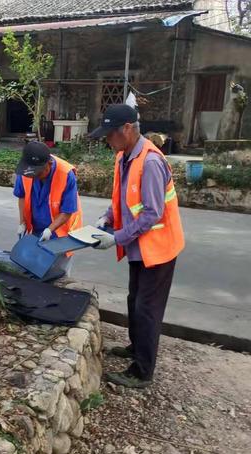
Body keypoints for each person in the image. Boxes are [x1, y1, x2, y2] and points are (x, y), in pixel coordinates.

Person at [91, 104, 185, 388]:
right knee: (135, 301)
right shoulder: (124, 156)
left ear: (128, 130)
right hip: (140, 248)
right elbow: (122, 197)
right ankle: (136, 346)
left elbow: (152, 213)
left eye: (110, 135)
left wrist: (117, 238)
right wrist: (106, 217)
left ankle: (142, 371)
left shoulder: (152, 162)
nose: (108, 140)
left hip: (159, 249)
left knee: (147, 309)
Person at [13, 141, 83, 274]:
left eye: (38, 174)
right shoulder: (26, 171)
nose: (34, 177)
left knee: (57, 274)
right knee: (34, 270)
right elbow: (21, 196)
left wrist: (49, 230)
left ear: (49, 164)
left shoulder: (66, 174)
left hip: (62, 233)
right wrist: (22, 222)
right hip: (36, 230)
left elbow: (67, 211)